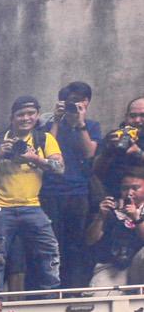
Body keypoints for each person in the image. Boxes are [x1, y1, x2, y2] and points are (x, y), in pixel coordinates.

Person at [0, 96, 64, 293]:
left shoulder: (44, 139)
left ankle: (50, 295)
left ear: (38, 116)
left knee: (50, 252)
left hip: (32, 206)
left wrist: (34, 158)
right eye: (20, 114)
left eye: (30, 114)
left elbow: (60, 169)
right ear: (12, 117)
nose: (25, 118)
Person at [44, 82, 103, 290]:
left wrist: (80, 123)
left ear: (86, 102)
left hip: (78, 192)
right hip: (51, 192)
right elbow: (45, 149)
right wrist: (57, 121)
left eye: (77, 101)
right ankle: (52, 289)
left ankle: (73, 289)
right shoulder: (52, 126)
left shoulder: (92, 126)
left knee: (75, 245)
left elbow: (89, 152)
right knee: (53, 245)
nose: (72, 105)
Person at [85, 169, 144, 288]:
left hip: (139, 267)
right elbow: (90, 240)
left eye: (135, 188)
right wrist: (100, 217)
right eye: (125, 188)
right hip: (113, 266)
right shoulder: (112, 210)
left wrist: (136, 218)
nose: (129, 193)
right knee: (100, 300)